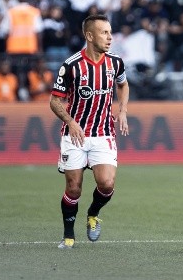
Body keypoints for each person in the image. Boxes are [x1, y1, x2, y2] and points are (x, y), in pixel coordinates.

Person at [49, 14, 130, 250]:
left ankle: (93, 214)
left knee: (106, 183)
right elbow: (55, 101)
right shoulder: (72, 65)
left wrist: (123, 110)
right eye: (104, 32)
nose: (109, 37)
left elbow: (123, 85)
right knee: (73, 187)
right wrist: (70, 121)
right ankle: (68, 236)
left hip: (103, 133)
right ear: (89, 35)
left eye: (110, 32)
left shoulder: (115, 63)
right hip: (74, 135)